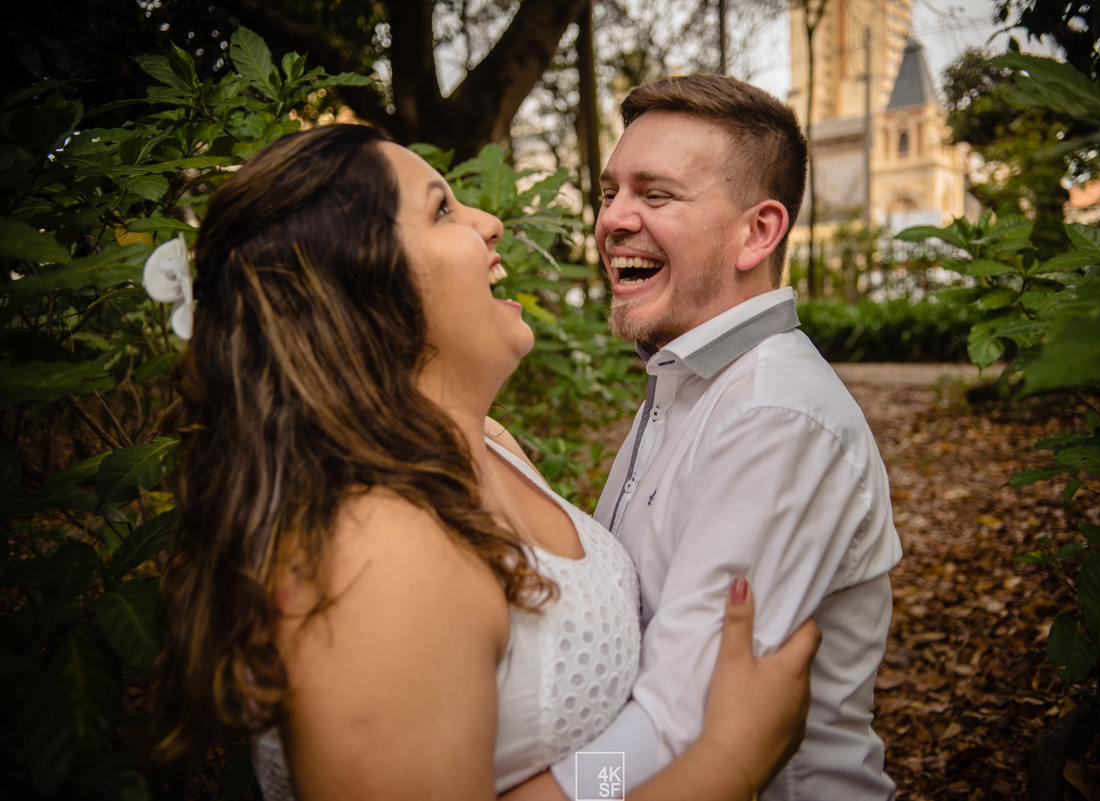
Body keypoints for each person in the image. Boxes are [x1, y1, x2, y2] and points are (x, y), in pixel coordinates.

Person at [149, 123, 820, 801]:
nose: (492, 221)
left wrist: (629, 774)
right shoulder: (377, 554)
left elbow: (571, 766)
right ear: (361, 285)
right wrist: (729, 762)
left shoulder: (487, 446)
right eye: (442, 209)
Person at [515, 74, 903, 801]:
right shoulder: (684, 380)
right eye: (610, 192)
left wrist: (552, 798)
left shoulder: (772, 418)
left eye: (654, 195)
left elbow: (678, 729)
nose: (612, 220)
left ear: (757, 232)